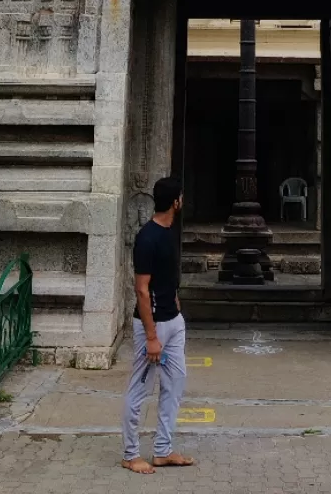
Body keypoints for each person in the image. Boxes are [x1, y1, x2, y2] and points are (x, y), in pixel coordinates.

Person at [121, 175, 194, 474]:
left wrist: (174, 298)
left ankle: (163, 449)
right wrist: (152, 336)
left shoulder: (169, 232)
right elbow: (141, 289)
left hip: (174, 321)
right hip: (153, 326)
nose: (183, 201)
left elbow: (165, 275)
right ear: (175, 201)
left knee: (175, 383)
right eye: (182, 197)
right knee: (140, 389)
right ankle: (130, 454)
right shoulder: (147, 237)